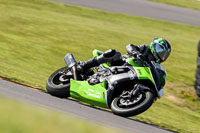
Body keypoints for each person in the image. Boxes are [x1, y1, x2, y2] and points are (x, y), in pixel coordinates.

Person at [78, 38, 171, 73]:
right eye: (161, 51)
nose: (162, 56)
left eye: (164, 55)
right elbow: (130, 46)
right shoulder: (145, 48)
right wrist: (136, 53)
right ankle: (83, 66)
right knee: (114, 53)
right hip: (123, 63)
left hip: (133, 74)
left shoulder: (155, 65)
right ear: (154, 46)